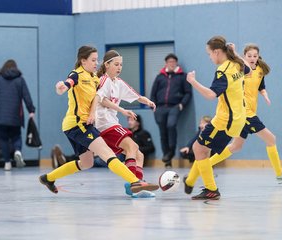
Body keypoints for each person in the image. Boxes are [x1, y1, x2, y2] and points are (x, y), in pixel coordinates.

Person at [38, 46, 159, 195]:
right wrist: (61, 87)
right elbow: (68, 84)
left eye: (97, 60)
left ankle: (48, 178)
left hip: (82, 124)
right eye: (93, 60)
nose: (97, 63)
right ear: (83, 61)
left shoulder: (95, 78)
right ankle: (135, 182)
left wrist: (94, 112)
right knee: (108, 154)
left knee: (87, 163)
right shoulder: (77, 74)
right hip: (78, 124)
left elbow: (98, 97)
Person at [184, 43, 282, 188]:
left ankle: (199, 170)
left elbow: (261, 86)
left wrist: (265, 95)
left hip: (248, 113)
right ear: (244, 56)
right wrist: (234, 53)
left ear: (258, 57)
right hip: (245, 114)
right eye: (249, 56)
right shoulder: (241, 70)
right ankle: (279, 174)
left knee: (236, 146)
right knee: (271, 139)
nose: (252, 58)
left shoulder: (259, 70)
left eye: (255, 56)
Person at [183, 36, 250, 200]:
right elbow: (249, 69)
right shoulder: (237, 64)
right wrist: (235, 53)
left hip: (226, 120)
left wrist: (192, 81)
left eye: (209, 54)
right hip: (238, 116)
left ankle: (211, 189)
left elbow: (211, 94)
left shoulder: (223, 71)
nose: (210, 57)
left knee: (199, 149)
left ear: (217, 52)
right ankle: (190, 181)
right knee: (202, 149)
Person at [95, 50, 157, 197]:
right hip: (103, 123)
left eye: (121, 64)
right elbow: (101, 99)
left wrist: (146, 101)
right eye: (116, 64)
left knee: (139, 155)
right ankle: (134, 183)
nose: (119, 67)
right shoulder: (104, 80)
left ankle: (136, 186)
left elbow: (134, 95)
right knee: (133, 146)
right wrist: (122, 110)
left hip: (112, 123)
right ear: (107, 65)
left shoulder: (118, 82)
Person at [0, 59, 35, 171]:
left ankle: (7, 163)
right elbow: (26, 96)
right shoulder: (20, 80)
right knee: (16, 136)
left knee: (3, 139)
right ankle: (17, 151)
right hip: (15, 115)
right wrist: (31, 110)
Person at [150, 53, 192, 167]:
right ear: (166, 63)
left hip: (174, 107)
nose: (172, 63)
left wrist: (181, 105)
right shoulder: (160, 76)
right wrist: (153, 106)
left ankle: (171, 152)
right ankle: (167, 159)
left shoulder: (182, 76)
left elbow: (188, 92)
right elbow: (153, 92)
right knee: (163, 133)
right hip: (160, 108)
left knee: (171, 125)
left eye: (173, 61)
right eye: (169, 62)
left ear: (176, 63)